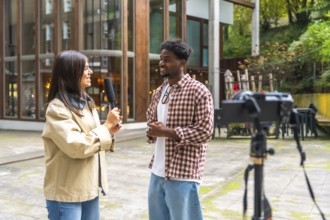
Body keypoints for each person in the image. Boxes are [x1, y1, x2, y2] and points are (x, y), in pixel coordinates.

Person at [42, 50, 122, 220]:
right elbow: (76, 146)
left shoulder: (87, 104)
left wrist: (109, 131)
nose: (90, 72)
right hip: (66, 194)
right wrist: (106, 125)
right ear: (71, 72)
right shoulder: (57, 109)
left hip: (89, 188)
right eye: (85, 68)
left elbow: (92, 139)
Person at [146, 39, 214, 220]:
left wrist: (166, 132)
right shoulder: (160, 91)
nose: (161, 63)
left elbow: (205, 131)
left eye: (167, 59)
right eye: (161, 58)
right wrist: (152, 130)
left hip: (183, 174)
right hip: (157, 172)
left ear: (181, 63)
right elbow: (152, 120)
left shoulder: (198, 91)